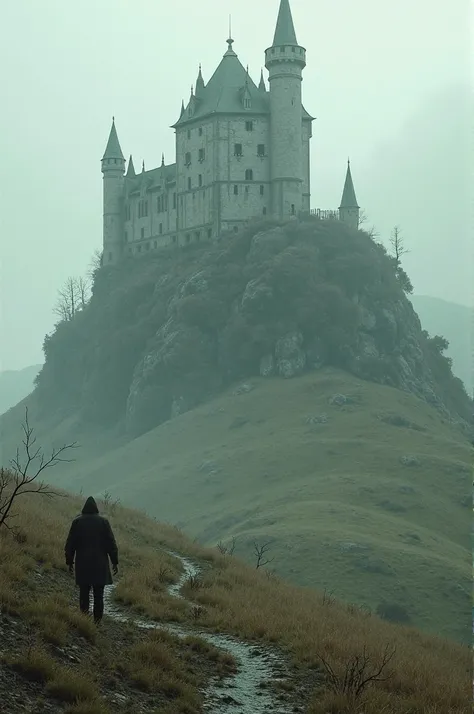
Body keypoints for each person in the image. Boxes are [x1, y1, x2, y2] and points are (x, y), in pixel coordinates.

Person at [65, 496, 119, 624]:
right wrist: (114, 561)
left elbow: (70, 544)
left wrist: (69, 561)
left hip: (82, 564)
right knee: (98, 595)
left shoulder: (77, 522)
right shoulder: (103, 522)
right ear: (96, 509)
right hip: (100, 565)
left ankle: (84, 620)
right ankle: (97, 622)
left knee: (84, 593)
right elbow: (111, 543)